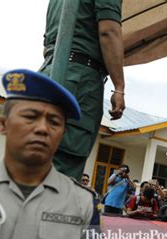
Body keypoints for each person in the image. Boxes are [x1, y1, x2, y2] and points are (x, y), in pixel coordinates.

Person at [0, 69, 105, 239]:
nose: (42, 129)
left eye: (54, 122)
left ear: (62, 134)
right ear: (3, 124)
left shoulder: (82, 203)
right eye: (31, 117)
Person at [40, 0, 125, 180]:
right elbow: (108, 31)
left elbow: (46, 44)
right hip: (80, 79)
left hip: (48, 73)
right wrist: (119, 87)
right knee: (64, 168)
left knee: (36, 158)